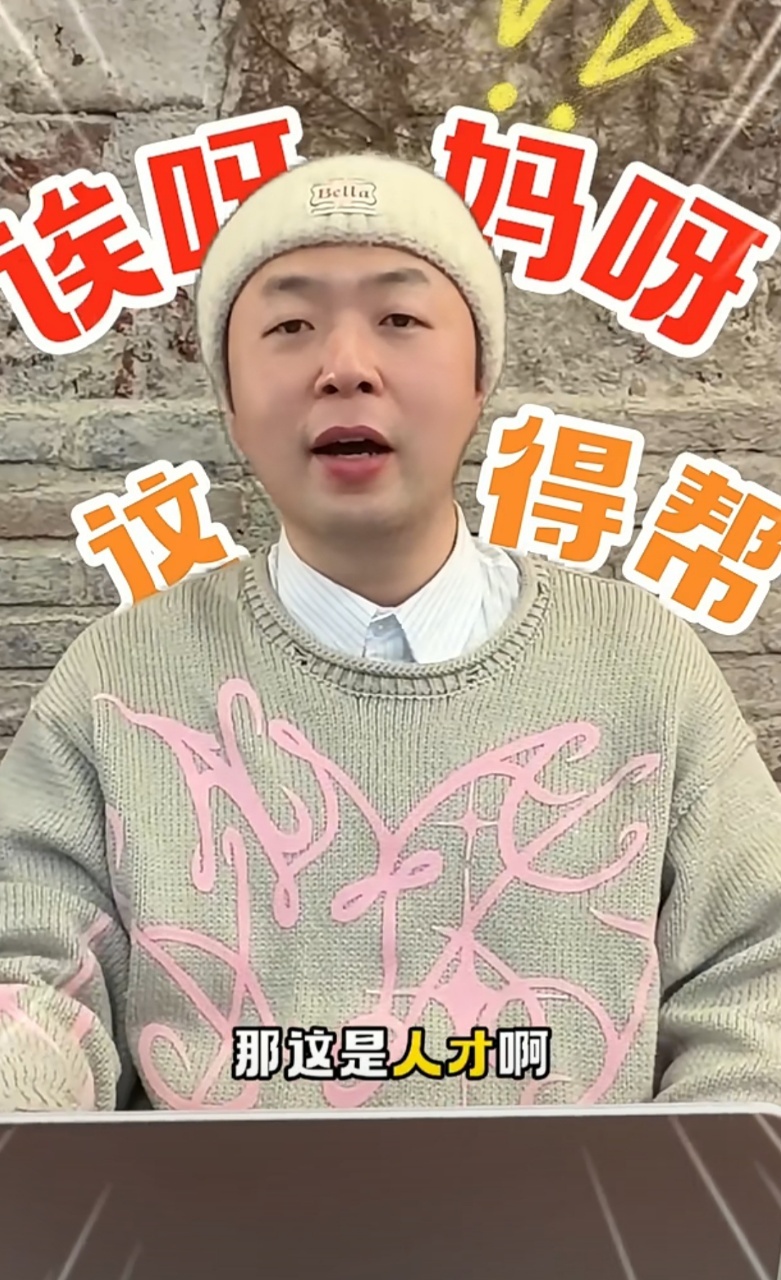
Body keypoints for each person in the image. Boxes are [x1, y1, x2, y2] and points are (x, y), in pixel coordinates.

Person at [0, 151, 780, 1114]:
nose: (345, 367)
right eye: (289, 327)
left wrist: (683, 1185)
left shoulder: (639, 663)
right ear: (231, 403)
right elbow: (27, 974)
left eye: (400, 319)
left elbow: (756, 977)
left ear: (480, 377)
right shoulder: (119, 681)